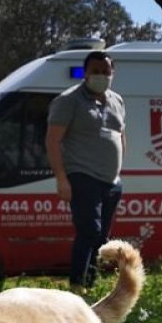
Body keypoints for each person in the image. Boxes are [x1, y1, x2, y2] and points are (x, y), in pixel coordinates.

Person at [46, 50, 127, 289]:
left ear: (112, 73)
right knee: (90, 230)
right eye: (95, 71)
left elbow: (121, 135)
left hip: (112, 181)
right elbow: (52, 140)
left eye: (106, 72)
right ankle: (76, 285)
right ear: (86, 73)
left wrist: (119, 167)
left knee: (102, 237)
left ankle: (91, 284)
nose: (101, 76)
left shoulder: (117, 100)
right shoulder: (69, 100)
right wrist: (62, 179)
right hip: (83, 175)